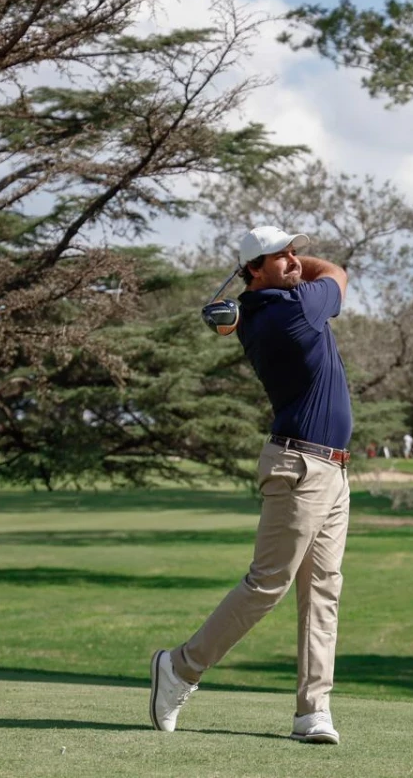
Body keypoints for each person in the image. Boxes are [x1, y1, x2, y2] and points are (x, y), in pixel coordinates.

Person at [150, 225, 352, 745]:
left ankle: (313, 710)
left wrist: (275, 267)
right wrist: (303, 266)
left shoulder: (254, 312)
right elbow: (338, 274)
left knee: (324, 590)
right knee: (268, 584)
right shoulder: (294, 310)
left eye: (293, 251)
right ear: (253, 271)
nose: (292, 259)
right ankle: (180, 668)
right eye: (278, 256)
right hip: (300, 468)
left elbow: (280, 285)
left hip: (332, 469)